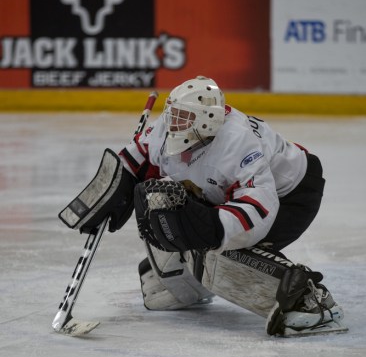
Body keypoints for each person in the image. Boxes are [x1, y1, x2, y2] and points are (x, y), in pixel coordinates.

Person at [59, 76, 347, 338]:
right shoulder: (169, 126)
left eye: (183, 118)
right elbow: (138, 154)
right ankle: (184, 285)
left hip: (291, 196)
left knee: (216, 248)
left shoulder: (238, 142)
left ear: (208, 121)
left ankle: (308, 301)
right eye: (173, 114)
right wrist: (112, 187)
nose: (173, 123)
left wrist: (212, 228)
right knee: (161, 203)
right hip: (231, 191)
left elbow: (260, 205)